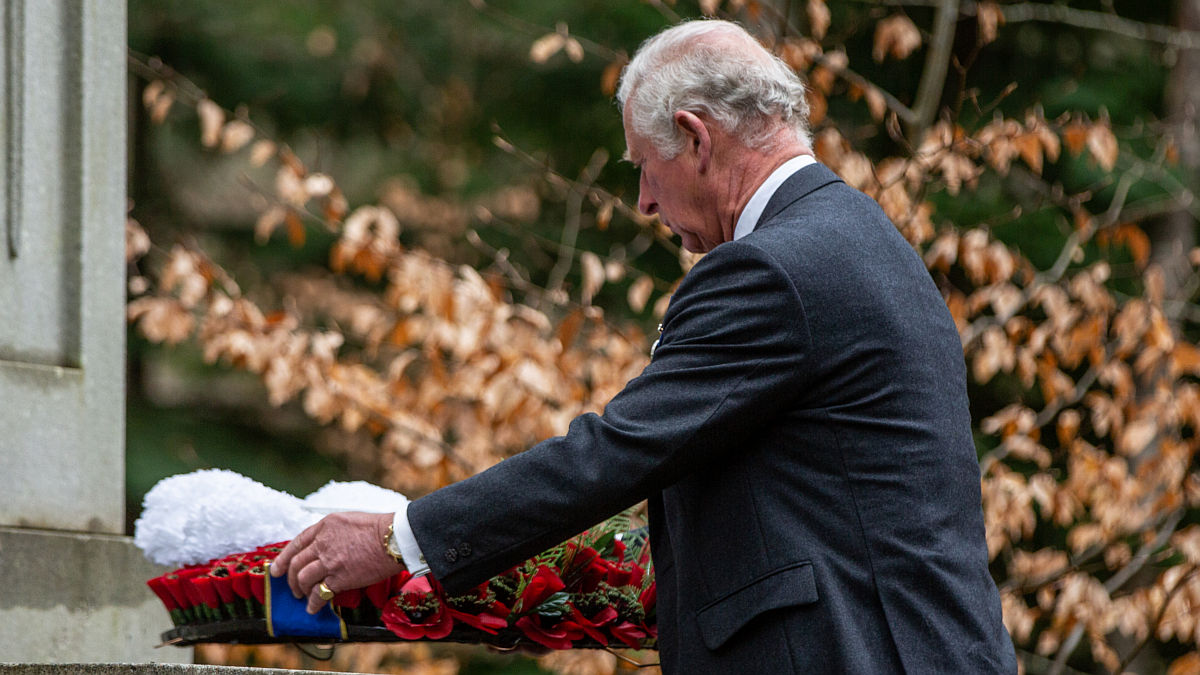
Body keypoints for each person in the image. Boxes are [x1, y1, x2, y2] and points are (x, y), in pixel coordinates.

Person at [273, 18, 1017, 673]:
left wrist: (401, 538)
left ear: (695, 136)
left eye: (643, 166)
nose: (645, 202)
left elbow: (616, 451)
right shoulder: (862, 238)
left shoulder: (770, 268)